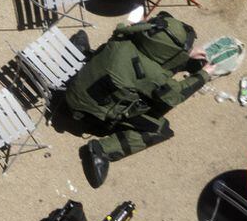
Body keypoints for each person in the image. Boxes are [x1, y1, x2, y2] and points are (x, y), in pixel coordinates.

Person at [66, 11, 217, 188]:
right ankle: (102, 150)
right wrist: (204, 74)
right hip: (89, 114)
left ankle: (79, 54)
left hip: (77, 87)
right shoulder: (154, 77)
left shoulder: (125, 35)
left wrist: (187, 55)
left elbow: (148, 50)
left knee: (108, 58)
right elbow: (175, 95)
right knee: (160, 128)